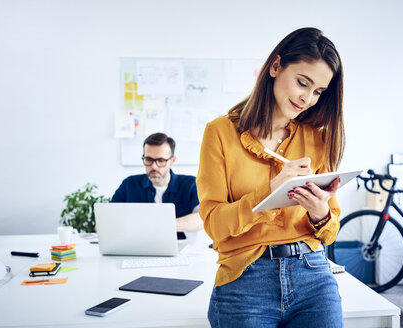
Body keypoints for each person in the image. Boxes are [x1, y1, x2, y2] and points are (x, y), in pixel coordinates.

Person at [197, 27, 345, 327]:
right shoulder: (220, 133)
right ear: (276, 66)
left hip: (312, 272)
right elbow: (214, 226)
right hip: (245, 274)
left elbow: (329, 232)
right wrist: (270, 191)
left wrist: (320, 212)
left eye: (318, 92)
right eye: (303, 83)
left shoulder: (317, 139)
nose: (307, 99)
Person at [112, 132, 202, 238]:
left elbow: (201, 219)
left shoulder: (190, 184)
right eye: (149, 159)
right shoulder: (129, 184)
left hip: (180, 248)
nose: (154, 166)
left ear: (173, 160)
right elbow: (107, 220)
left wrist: (161, 225)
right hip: (137, 247)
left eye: (161, 160)